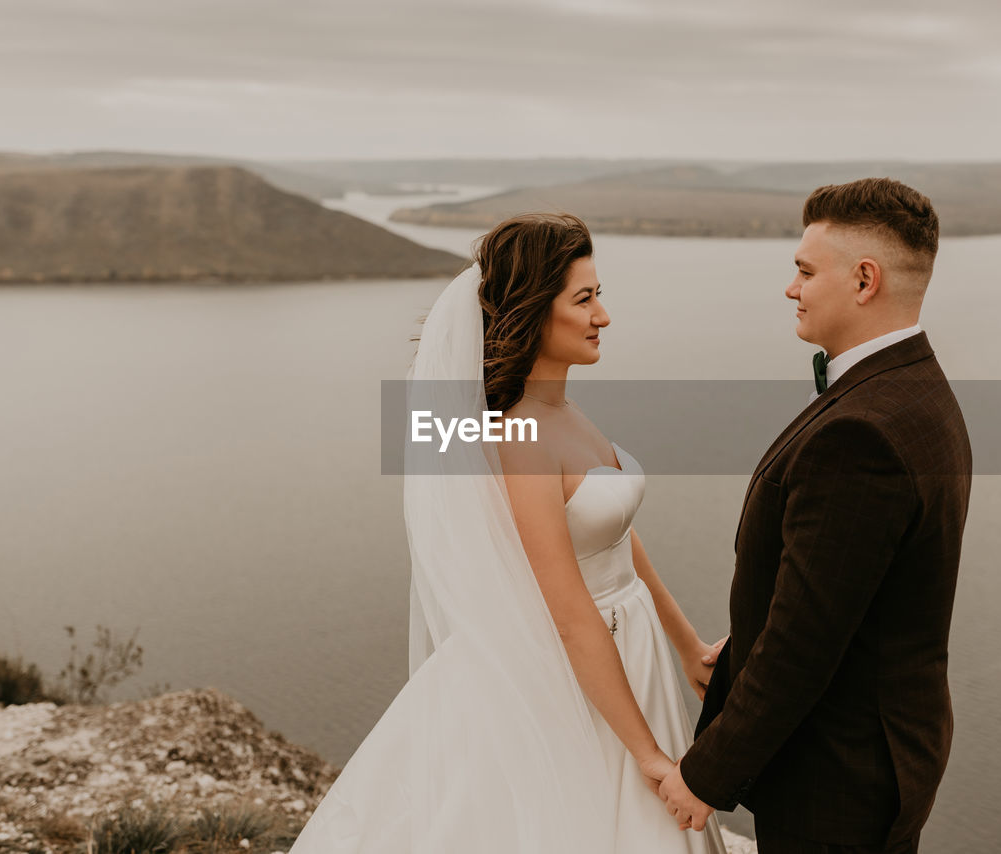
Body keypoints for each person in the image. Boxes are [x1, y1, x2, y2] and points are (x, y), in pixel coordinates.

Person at [289, 213, 726, 854]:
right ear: (531, 311)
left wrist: (685, 644)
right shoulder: (518, 435)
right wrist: (648, 754)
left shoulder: (564, 409)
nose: (603, 315)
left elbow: (612, 536)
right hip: (572, 670)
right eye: (584, 299)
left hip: (627, 648)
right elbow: (570, 612)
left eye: (600, 294)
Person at [659, 178, 973, 854]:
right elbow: (848, 592)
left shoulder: (860, 437)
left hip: (838, 779)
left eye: (804, 270)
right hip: (888, 751)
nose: (790, 288)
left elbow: (806, 645)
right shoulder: (917, 388)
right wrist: (746, 643)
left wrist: (706, 775)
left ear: (865, 280)